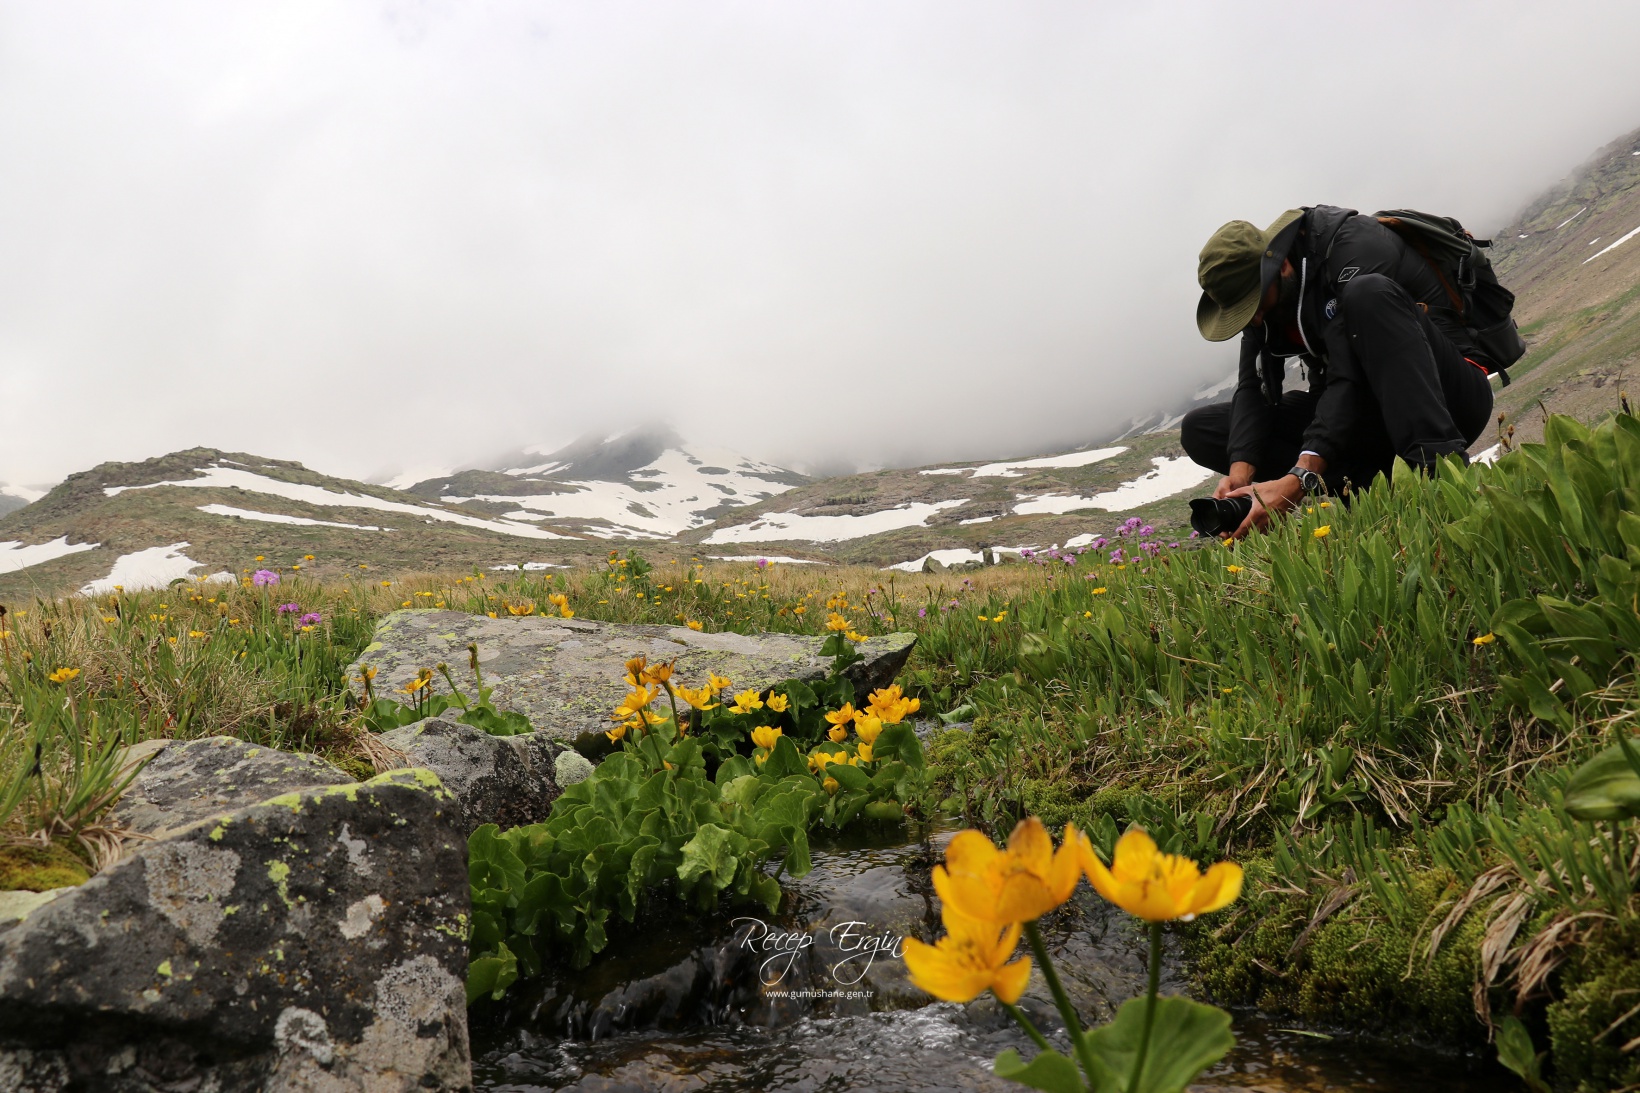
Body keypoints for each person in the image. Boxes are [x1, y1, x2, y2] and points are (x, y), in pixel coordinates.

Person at [1180, 205, 1497, 538]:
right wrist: (1240, 472)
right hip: (1368, 414)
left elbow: (1350, 376)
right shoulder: (1265, 294)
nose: (1255, 319)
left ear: (1281, 265)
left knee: (1368, 293)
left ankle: (1444, 485)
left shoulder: (1354, 249)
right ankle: (1364, 494)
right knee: (1203, 429)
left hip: (1449, 397)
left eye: (1255, 306)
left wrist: (1301, 477)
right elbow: (1251, 387)